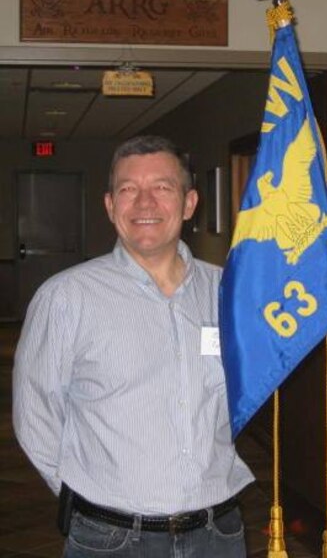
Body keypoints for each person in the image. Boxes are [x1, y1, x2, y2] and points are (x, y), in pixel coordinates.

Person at [13, 135, 254, 558]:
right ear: (110, 206)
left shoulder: (228, 293)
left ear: (190, 202)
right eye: (128, 190)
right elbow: (35, 415)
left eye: (162, 188)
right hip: (112, 540)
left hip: (217, 535)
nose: (145, 204)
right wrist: (89, 499)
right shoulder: (66, 298)